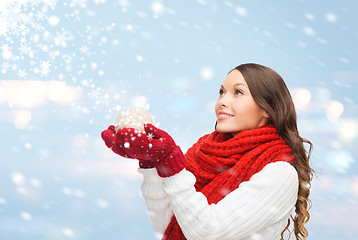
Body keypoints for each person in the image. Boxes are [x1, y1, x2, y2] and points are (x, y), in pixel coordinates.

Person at [101, 63, 314, 240]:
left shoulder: (278, 172)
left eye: (238, 92)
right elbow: (166, 225)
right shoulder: (204, 154)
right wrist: (152, 163)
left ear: (267, 109)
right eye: (222, 92)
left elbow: (208, 232)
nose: (222, 101)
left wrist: (172, 164)